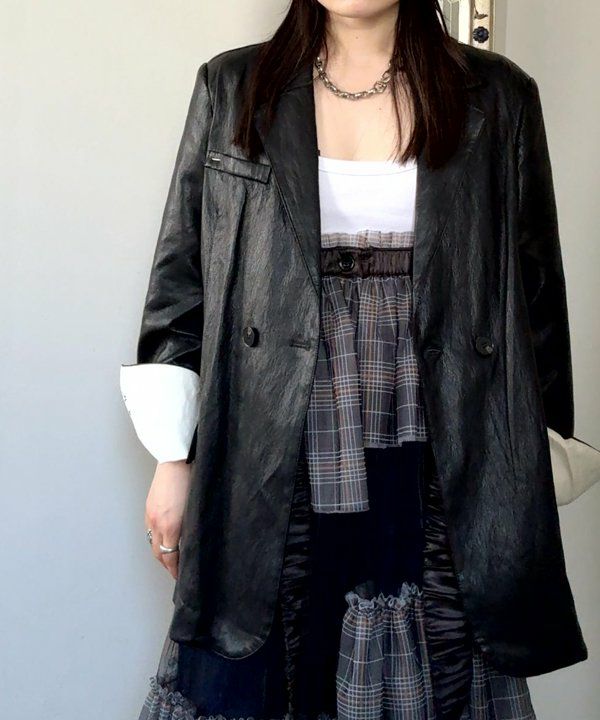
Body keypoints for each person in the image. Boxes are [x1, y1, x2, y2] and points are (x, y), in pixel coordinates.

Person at [120, 1, 598, 719]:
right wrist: (172, 457)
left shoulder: (498, 96)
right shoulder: (234, 85)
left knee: (439, 640)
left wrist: (531, 467)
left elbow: (535, 299)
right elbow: (184, 283)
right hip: (274, 423)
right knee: (277, 641)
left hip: (440, 421)